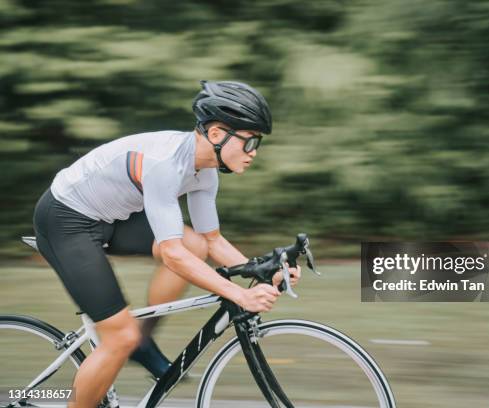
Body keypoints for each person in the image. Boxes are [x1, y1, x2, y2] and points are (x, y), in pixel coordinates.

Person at [32, 80, 300, 408]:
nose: (254, 152)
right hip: (65, 220)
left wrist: (264, 268)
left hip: (110, 219)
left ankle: (142, 342)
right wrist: (240, 294)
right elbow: (172, 255)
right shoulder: (165, 164)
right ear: (217, 134)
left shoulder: (205, 172)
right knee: (120, 336)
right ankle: (129, 342)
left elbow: (212, 241)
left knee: (196, 245)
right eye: (250, 141)